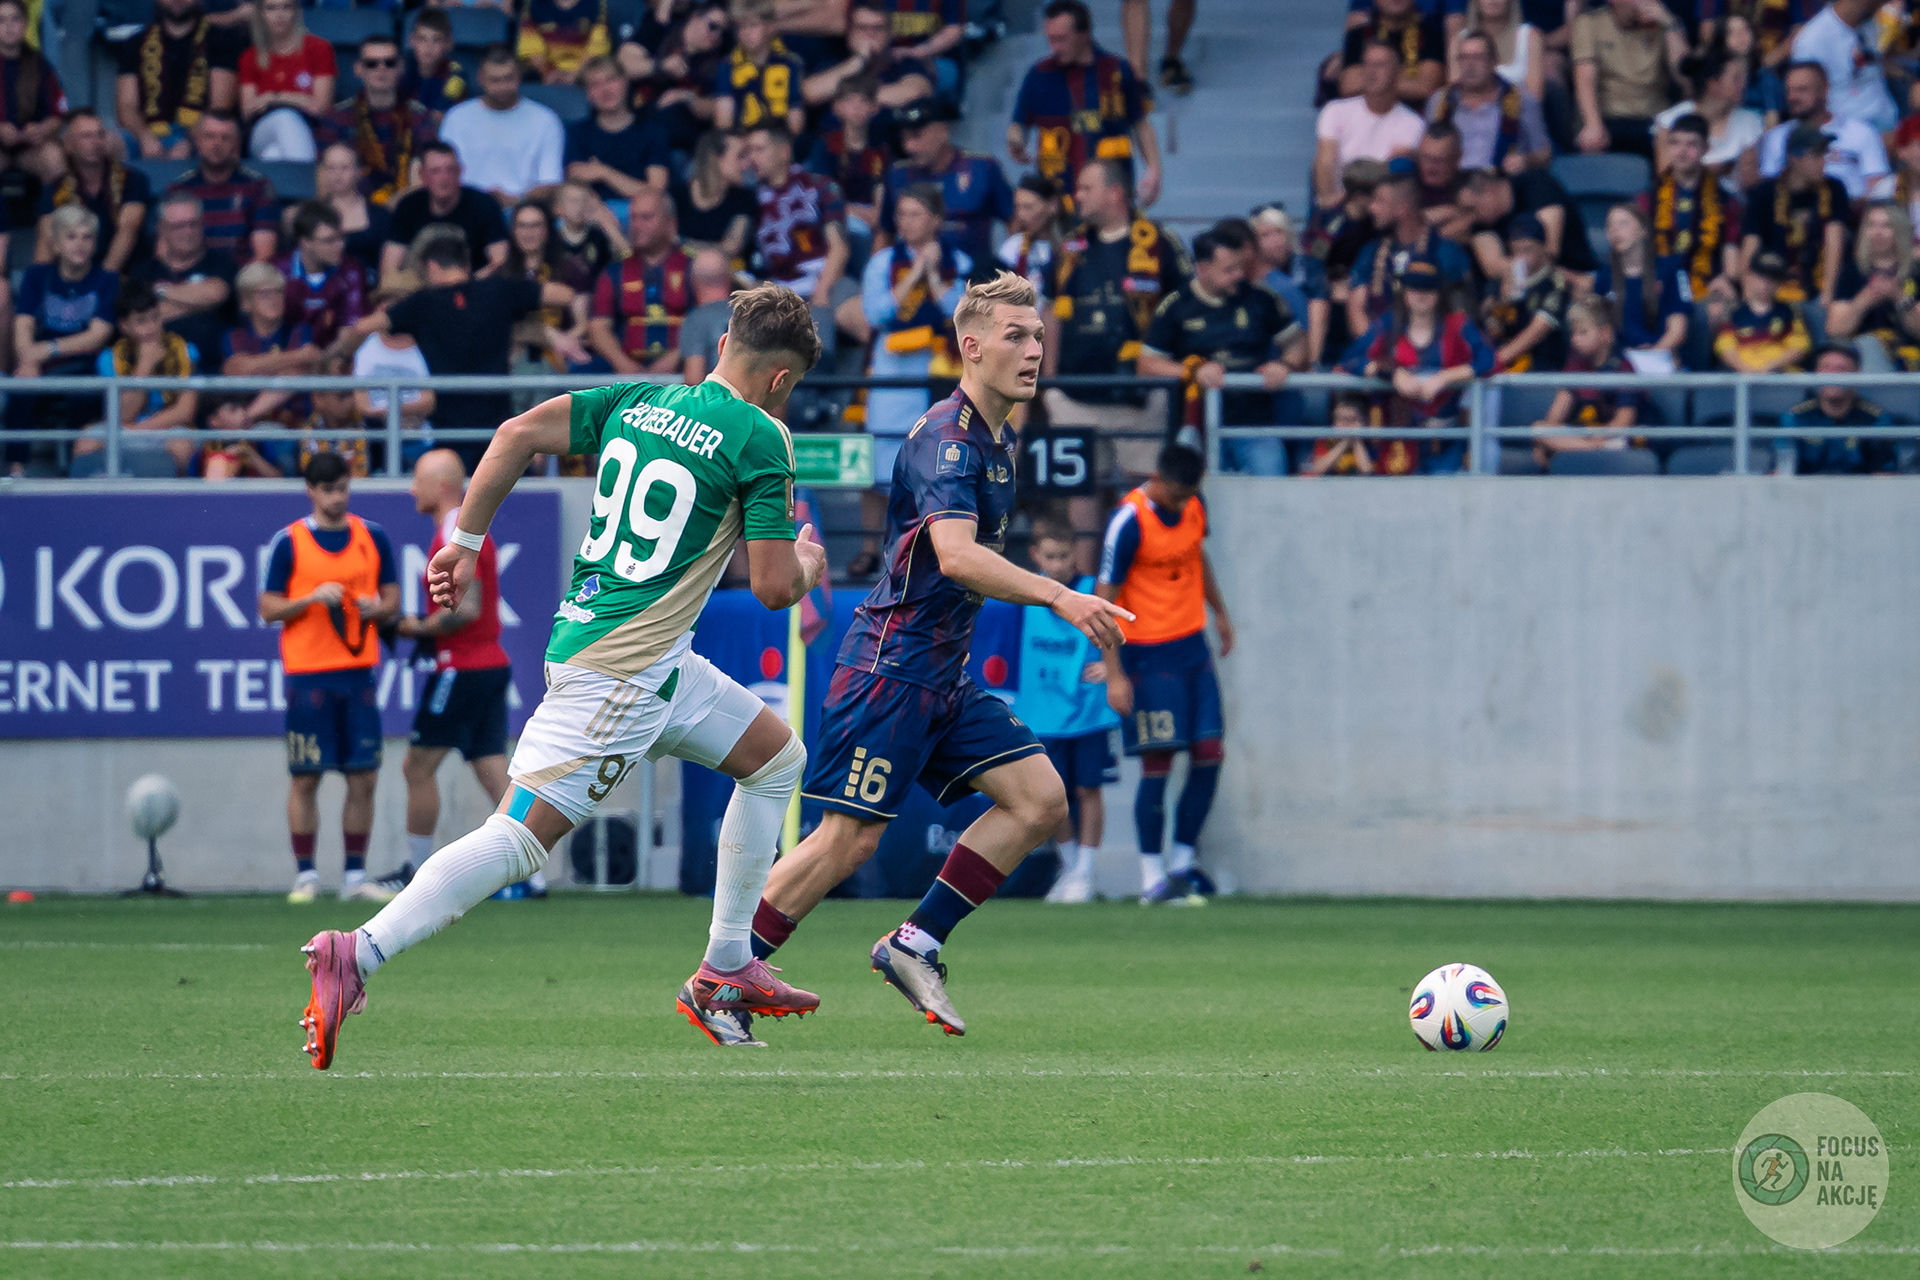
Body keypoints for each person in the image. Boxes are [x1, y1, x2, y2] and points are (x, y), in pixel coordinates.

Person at [297, 283, 829, 1063]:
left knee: (776, 759)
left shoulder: (637, 398)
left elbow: (515, 432)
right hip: (623, 674)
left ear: (721, 346)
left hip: (640, 655)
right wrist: (810, 563)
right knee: (518, 839)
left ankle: (724, 967)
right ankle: (358, 952)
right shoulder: (762, 435)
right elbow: (776, 587)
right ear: (781, 379)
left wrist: (464, 542)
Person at [742, 272, 1130, 1040]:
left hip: (942, 674)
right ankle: (724, 970)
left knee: (1039, 800)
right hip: (891, 668)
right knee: (846, 841)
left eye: (1038, 336)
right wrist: (1058, 593)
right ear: (971, 347)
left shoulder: (997, 440)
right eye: (1015, 336)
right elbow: (955, 555)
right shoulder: (945, 440)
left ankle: (914, 942)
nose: (1033, 350)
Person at [260, 452, 402, 906]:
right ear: (310, 491)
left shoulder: (372, 536)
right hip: (309, 677)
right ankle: (306, 875)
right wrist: (310, 599)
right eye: (327, 490)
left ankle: (355, 876)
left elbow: (393, 601)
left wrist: (375, 609)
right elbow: (267, 608)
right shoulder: (290, 542)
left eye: (342, 488)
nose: (337, 498)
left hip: (359, 673)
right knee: (306, 777)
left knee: (363, 777)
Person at [1093, 442, 1231, 902]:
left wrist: (1220, 612)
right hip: (1148, 655)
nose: (1181, 502)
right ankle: (1151, 877)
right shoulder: (1129, 521)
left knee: (1209, 752)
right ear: (1158, 479)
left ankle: (1182, 865)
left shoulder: (1193, 505)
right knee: (1160, 761)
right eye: (1175, 494)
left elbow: (1197, 556)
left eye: (1188, 494)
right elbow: (1104, 598)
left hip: (1192, 646)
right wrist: (1115, 674)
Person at [391, 449, 522, 894]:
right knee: (493, 770)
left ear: (442, 485)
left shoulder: (454, 532)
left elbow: (466, 608)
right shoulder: (463, 529)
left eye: (418, 480)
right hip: (488, 664)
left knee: (416, 767)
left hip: (461, 666)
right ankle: (530, 875)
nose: (412, 489)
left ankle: (415, 873)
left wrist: (414, 626)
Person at [335, 234, 573, 469]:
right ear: (466, 264)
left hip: (449, 433)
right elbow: (564, 295)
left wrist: (343, 356)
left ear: (431, 266)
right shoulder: (499, 290)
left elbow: (362, 327)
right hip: (497, 426)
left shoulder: (422, 303)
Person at [1041, 159, 1189, 482]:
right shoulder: (1069, 247)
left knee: (1142, 487)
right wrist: (1050, 383)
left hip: (1139, 394)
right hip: (1074, 394)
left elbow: (1184, 310)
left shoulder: (1160, 244)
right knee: (1080, 488)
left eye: (1086, 188)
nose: (1077, 195)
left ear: (1115, 193)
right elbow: (1050, 311)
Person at [1138, 230, 1306, 475]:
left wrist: (1284, 365)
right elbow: (1146, 364)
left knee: (1271, 483)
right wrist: (1194, 371)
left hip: (1255, 427)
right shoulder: (1175, 306)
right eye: (1229, 270)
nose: (1239, 275)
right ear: (1203, 269)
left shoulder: (1263, 299)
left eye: (1240, 267)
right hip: (1197, 428)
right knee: (1191, 490)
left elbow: (1297, 345)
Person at [1015, 517, 1119, 906]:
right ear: (1035, 555)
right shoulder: (1024, 593)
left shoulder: (1093, 593)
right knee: (1050, 797)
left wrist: (1112, 667)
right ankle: (1072, 868)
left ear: (1075, 553)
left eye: (1064, 555)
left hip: (1088, 711)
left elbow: (1125, 634)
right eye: (1050, 556)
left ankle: (1085, 874)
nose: (1058, 564)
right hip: (1042, 714)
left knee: (1088, 789)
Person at [861, 182, 970, 550]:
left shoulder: (959, 262)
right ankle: (877, 550)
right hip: (892, 373)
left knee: (936, 465)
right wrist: (914, 272)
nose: (905, 222)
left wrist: (934, 274)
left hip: (940, 372)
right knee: (883, 464)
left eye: (915, 214)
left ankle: (929, 548)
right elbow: (875, 314)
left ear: (936, 219)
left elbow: (961, 314)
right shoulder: (882, 262)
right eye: (901, 214)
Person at [1343, 257, 1497, 474]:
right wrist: (1393, 374)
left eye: (1428, 288)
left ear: (1438, 293)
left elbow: (1489, 359)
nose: (1421, 294)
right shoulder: (1388, 324)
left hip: (1445, 444)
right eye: (1414, 288)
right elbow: (1351, 358)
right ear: (1405, 293)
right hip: (1398, 444)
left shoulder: (1458, 325)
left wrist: (1445, 377)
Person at [1009, 0, 1163, 210]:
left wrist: (1153, 168)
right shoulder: (1039, 75)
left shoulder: (1116, 71)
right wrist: (1015, 141)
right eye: (1050, 39)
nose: (1055, 47)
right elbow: (1019, 124)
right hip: (1057, 197)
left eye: (1062, 39)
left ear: (1084, 34)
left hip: (1110, 197)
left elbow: (1140, 123)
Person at [7, 206, 116, 476]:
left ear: (95, 244)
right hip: (42, 363)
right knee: (21, 387)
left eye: (87, 237)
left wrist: (47, 350)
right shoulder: (36, 276)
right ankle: (17, 470)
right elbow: (23, 324)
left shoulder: (107, 280)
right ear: (55, 244)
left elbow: (98, 334)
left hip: (85, 362)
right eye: (71, 237)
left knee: (84, 394)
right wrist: (27, 359)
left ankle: (78, 472)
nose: (80, 244)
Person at [74, 283, 201, 474]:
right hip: (123, 426)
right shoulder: (109, 358)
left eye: (155, 318)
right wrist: (145, 366)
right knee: (86, 443)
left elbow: (184, 412)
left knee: (181, 446)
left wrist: (139, 430)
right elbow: (122, 415)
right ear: (124, 326)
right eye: (141, 322)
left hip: (167, 428)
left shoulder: (186, 351)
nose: (152, 328)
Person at [882, 98, 1015, 266]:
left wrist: (1011, 266)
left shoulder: (982, 168)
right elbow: (884, 233)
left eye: (917, 136)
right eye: (904, 139)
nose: (909, 147)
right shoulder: (897, 175)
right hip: (911, 274)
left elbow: (1015, 221)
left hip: (973, 274)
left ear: (943, 131)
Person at [1349, 167, 1475, 337]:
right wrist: (1378, 347)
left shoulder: (1445, 252)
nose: (1372, 208)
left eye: (1380, 201)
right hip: (1380, 347)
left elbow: (1460, 315)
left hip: (1432, 347)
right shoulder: (1370, 252)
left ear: (1402, 209)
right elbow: (1356, 309)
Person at [315, 36, 436, 207]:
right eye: (371, 63)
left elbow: (427, 177)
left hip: (405, 209)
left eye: (389, 63)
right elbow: (324, 178)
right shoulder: (337, 117)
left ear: (400, 67)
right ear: (358, 69)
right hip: (349, 210)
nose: (381, 69)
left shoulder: (419, 116)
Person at [115, 0, 243, 160]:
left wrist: (189, 142)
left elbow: (220, 105)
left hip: (201, 132)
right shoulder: (135, 44)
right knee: (112, 142)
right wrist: (144, 137)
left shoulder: (222, 40)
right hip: (147, 132)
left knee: (216, 136)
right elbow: (127, 106)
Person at [1640, 113, 1743, 311]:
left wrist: (1725, 279)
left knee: (1721, 305)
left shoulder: (1725, 200)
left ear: (1706, 148)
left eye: (1691, 144)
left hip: (1706, 288)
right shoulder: (1648, 199)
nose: (1682, 151)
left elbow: (1731, 257)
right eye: (1675, 143)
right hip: (1658, 286)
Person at [440, 46, 567, 205]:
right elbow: (443, 173)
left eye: (508, 79)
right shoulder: (456, 117)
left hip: (522, 209)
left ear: (519, 77)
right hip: (466, 206)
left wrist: (515, 201)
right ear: (480, 79)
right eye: (495, 80)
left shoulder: (546, 120)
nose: (502, 87)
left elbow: (550, 183)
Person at [588, 186, 694, 375]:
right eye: (633, 218)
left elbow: (710, 320)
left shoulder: (694, 268)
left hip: (685, 375)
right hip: (625, 376)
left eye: (646, 217)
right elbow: (598, 327)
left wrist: (675, 359)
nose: (636, 225)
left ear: (671, 223)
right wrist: (625, 366)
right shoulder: (613, 271)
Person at [1529, 296, 1646, 467]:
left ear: (1605, 333)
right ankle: (1593, 449)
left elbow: (1624, 421)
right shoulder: (1575, 364)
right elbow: (1556, 413)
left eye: (1583, 332)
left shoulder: (1623, 368)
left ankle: (1587, 449)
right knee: (1539, 428)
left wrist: (1598, 436)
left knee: (1619, 441)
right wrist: (1541, 443)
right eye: (1573, 333)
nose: (1574, 339)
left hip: (1615, 437)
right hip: (1585, 436)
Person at [1743, 122, 1849, 307]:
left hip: (1816, 290)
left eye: (1824, 154)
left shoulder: (1834, 189)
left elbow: (1834, 241)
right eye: (1816, 155)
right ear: (1795, 158)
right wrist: (1748, 294)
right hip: (1773, 287)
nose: (1823, 161)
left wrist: (1827, 294)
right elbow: (1751, 244)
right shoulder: (1766, 193)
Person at [129, 192, 237, 373]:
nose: (188, 231)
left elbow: (215, 293)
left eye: (193, 224)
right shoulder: (144, 272)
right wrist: (200, 303)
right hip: (158, 371)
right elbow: (140, 321)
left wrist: (160, 290)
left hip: (213, 373)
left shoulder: (222, 262)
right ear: (161, 229)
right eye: (179, 226)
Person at [1314, 42, 1427, 209]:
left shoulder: (1414, 124)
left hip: (1384, 209)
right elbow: (1326, 162)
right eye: (1367, 64)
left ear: (1398, 71)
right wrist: (1331, 202)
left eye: (1380, 65)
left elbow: (1390, 174)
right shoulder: (1335, 110)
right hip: (1338, 204)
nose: (1371, 72)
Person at [1757, 60, 1891, 200]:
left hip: (1852, 208)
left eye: (1802, 90)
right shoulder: (1777, 137)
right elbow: (1769, 187)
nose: (1792, 97)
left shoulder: (1861, 132)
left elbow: (1878, 188)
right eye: (1788, 90)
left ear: (1824, 89)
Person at [747, 122, 849, 306]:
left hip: (822, 283)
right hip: (776, 292)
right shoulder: (750, 199)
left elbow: (839, 247)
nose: (752, 158)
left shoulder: (820, 186)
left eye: (759, 149)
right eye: (749, 151)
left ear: (784, 151)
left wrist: (821, 292)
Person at [35, 110, 149, 273]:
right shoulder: (54, 189)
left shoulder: (133, 180)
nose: (95, 142)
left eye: (100, 135)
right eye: (86, 136)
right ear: (68, 144)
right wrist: (38, 280)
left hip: (125, 275)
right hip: (74, 276)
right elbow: (46, 240)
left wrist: (103, 279)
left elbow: (128, 230)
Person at [1572, 0, 1685, 157]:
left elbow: (1684, 77)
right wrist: (1593, 123)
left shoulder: (1664, 22)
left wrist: (1669, 25)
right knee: (1591, 141)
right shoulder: (1590, 22)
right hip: (1610, 116)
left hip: (1655, 117)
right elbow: (1585, 77)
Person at [1429, 30, 1551, 174]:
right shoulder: (1440, 100)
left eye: (1478, 57)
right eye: (1464, 58)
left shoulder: (1523, 100)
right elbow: (1427, 148)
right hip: (1453, 181)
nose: (1470, 65)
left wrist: (1525, 160)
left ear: (1494, 61)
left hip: (1501, 180)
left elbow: (1544, 154)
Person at [383, 143, 511, 276]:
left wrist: (466, 281)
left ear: (460, 171)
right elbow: (389, 270)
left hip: (473, 283)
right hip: (419, 285)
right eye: (435, 171)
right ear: (422, 175)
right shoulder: (408, 207)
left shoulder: (484, 205)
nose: (444, 178)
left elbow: (500, 263)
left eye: (450, 170)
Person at [222, 259, 318, 435]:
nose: (274, 299)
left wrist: (248, 415)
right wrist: (295, 356)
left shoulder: (299, 331)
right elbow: (238, 369)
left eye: (279, 292)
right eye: (265, 294)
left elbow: (296, 372)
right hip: (244, 430)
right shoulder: (235, 336)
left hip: (292, 427)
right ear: (246, 302)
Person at [1777, 342, 1907, 472]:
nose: (1832, 375)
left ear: (1857, 375)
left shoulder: (1876, 419)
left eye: (1841, 369)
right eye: (1826, 368)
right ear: (1815, 373)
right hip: (1806, 485)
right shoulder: (1795, 417)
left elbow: (1885, 474)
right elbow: (1782, 471)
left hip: (1860, 485)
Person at [167, 112, 278, 264]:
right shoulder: (179, 188)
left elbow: (264, 255)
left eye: (225, 138)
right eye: (210, 136)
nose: (217, 144)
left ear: (236, 144)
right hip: (191, 274)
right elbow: (164, 250)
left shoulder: (258, 186)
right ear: (197, 141)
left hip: (243, 274)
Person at [351, 270, 437, 462]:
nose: (386, 307)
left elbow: (429, 402)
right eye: (383, 300)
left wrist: (386, 410)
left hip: (420, 438)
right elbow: (362, 404)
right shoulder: (365, 348)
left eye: (395, 301)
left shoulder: (426, 346)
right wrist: (399, 413)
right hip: (376, 438)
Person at [566, 56, 671, 213]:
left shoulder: (653, 131)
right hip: (592, 214)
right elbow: (575, 182)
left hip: (641, 215)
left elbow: (656, 193)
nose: (605, 89)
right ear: (588, 94)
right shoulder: (577, 132)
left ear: (625, 82)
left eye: (611, 80)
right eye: (595, 84)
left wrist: (603, 172)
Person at [1823, 201, 1920, 369]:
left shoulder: (1916, 272)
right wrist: (1867, 297)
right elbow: (1835, 330)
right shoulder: (1852, 272)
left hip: (1911, 354)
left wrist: (1899, 297)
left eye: (1886, 226)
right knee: (1868, 343)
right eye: (1871, 225)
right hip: (1863, 356)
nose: (1877, 232)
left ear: (1900, 230)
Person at [1591, 202, 1690, 367]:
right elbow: (1601, 332)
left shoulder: (1670, 270)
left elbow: (1677, 330)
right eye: (1609, 226)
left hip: (1661, 359)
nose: (1615, 230)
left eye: (1623, 223)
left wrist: (1649, 357)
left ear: (1644, 230)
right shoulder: (1603, 277)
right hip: (1619, 363)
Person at [1459, 163, 1597, 278]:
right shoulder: (1480, 224)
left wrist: (1517, 267)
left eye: (1471, 208)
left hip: (1574, 276)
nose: (1470, 218)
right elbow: (1493, 267)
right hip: (1521, 288)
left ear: (1488, 191)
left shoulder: (1536, 185)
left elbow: (1549, 251)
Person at [238, 0, 334, 161]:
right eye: (271, 8)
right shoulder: (250, 56)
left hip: (310, 127)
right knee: (285, 117)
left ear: (296, 12)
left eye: (286, 7)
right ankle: (306, 175)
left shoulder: (319, 48)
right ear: (261, 14)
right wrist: (299, 100)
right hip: (261, 130)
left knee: (273, 154)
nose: (279, 15)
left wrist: (272, 98)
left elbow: (321, 107)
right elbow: (248, 111)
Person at [1653, 48, 1765, 180]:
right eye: (1736, 79)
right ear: (1713, 85)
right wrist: (1724, 168)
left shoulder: (1752, 121)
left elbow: (1753, 176)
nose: (1743, 84)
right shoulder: (1670, 120)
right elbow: (1666, 172)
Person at [1481, 210, 1571, 372]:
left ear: (1542, 247)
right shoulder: (1500, 281)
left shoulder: (1554, 283)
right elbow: (1492, 329)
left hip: (1541, 367)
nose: (1522, 256)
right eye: (1517, 250)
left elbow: (1539, 329)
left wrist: (1497, 360)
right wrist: (1504, 302)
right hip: (1504, 367)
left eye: (1528, 250)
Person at [803, 0, 935, 111]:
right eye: (862, 28)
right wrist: (857, 62)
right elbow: (808, 94)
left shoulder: (903, 63)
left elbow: (917, 93)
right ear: (850, 34)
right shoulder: (833, 62)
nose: (869, 35)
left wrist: (853, 98)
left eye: (877, 28)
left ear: (890, 34)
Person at [1792, 0, 1896, 133]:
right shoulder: (1812, 41)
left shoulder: (1868, 23)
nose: (1882, 5)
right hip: (1844, 134)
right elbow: (1807, 104)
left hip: (1889, 125)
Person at [280, 200, 368, 353]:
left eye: (341, 238)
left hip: (335, 359)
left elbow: (351, 332)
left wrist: (321, 360)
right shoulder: (279, 271)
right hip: (284, 359)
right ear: (305, 242)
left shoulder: (351, 272)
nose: (340, 245)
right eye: (329, 240)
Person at [809, 73, 890, 235]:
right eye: (849, 100)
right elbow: (821, 191)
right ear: (837, 107)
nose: (856, 107)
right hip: (834, 215)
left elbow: (880, 191)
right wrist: (851, 210)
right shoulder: (827, 146)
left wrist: (877, 216)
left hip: (870, 219)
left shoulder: (880, 150)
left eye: (863, 101)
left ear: (874, 108)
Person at [1252, 206, 1330, 369]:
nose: (1276, 241)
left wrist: (1312, 363)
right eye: (1265, 235)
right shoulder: (1249, 282)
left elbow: (1314, 313)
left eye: (1279, 232)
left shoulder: (1307, 269)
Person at [0, 0, 67, 187]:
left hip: (31, 148)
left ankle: (51, 208)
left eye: (15, 19)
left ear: (25, 25)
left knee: (54, 158)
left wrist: (43, 129)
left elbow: (58, 114)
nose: (8, 26)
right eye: (1, 20)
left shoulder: (40, 65)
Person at [713, 0, 806, 133]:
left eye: (753, 25)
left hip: (778, 137)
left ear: (770, 27)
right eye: (741, 27)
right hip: (740, 135)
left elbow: (795, 117)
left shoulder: (789, 63)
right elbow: (723, 120)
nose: (746, 32)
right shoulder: (728, 65)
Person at [1713, 248, 1813, 372]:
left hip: (1778, 375)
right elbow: (1725, 347)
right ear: (1750, 277)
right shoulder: (1735, 312)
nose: (1767, 283)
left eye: (1773, 278)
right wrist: (1746, 370)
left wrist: (1767, 368)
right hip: (1741, 376)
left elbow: (1799, 347)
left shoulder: (1789, 311)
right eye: (1762, 276)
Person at [672, 127, 758, 264]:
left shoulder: (744, 198)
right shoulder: (677, 195)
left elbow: (732, 248)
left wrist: (683, 245)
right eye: (741, 156)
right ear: (715, 158)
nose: (748, 163)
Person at [1339, 0, 1446, 107]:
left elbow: (1427, 86)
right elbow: (1349, 86)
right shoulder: (1359, 35)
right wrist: (1405, 80)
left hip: (1417, 114)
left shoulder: (1432, 35)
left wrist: (1375, 79)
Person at [316, 144, 392, 269]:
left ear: (359, 171)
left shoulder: (381, 215)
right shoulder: (312, 214)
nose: (337, 174)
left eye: (344, 168)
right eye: (331, 168)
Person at [676, 247, 743, 383]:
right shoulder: (752, 314)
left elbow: (694, 381)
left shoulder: (695, 321)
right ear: (730, 277)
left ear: (692, 281)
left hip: (718, 396)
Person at [1455, 0, 1544, 101]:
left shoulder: (1530, 37)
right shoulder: (1460, 40)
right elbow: (1454, 93)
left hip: (1518, 109)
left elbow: (1535, 97)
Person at [518, 0, 613, 85]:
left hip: (585, 75)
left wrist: (576, 74)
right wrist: (549, 71)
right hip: (544, 76)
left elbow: (597, 48)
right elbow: (532, 49)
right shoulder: (533, 4)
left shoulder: (597, 4)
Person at [998, 174, 1061, 297]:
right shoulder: (1013, 247)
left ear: (1052, 205)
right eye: (1017, 207)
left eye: (1028, 207)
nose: (1021, 215)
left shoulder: (1069, 246)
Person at [401, 7, 470, 117]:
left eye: (436, 40)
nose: (428, 47)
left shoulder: (455, 76)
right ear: (412, 40)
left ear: (448, 43)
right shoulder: (399, 67)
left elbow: (439, 118)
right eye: (422, 39)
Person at [1302, 391, 1378, 476]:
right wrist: (1344, 444)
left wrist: (1357, 443)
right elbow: (1316, 471)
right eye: (1341, 419)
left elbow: (1368, 473)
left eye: (1353, 419)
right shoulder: (1324, 441)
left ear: (1365, 422)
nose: (1346, 425)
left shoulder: (1370, 443)